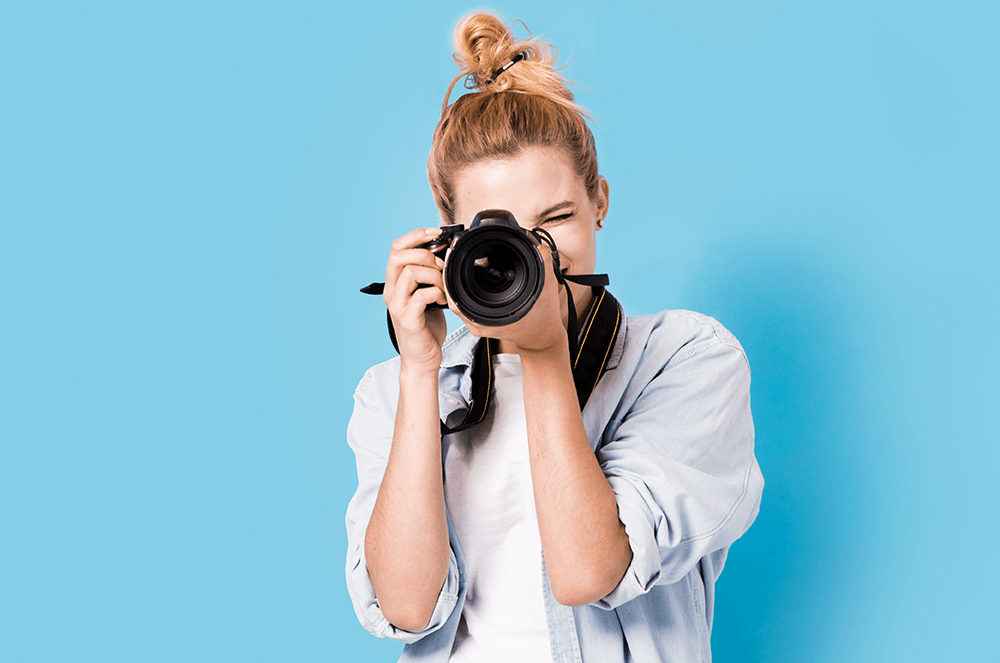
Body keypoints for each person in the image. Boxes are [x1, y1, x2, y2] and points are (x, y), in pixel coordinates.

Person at [346, 10, 764, 662]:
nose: (534, 256)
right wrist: (418, 370)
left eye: (557, 219)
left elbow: (588, 571)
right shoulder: (391, 393)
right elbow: (406, 605)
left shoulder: (684, 362)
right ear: (449, 233)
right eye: (503, 232)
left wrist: (542, 350)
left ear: (599, 200)